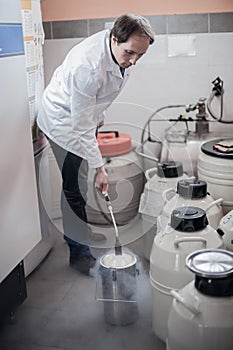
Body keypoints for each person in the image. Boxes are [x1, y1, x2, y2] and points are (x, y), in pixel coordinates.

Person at [37, 14, 154, 275]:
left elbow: (98, 97)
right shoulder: (87, 66)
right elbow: (79, 125)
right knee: (74, 189)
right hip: (62, 123)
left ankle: (82, 232)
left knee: (81, 181)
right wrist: (99, 168)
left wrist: (98, 117)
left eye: (140, 55)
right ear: (115, 39)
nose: (133, 61)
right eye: (130, 53)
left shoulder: (117, 54)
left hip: (80, 117)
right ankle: (78, 253)